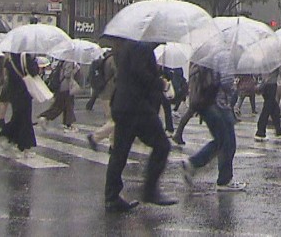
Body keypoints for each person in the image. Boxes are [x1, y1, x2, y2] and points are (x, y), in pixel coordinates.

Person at [104, 38, 176, 213]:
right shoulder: (141, 46)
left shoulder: (129, 45)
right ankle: (150, 191)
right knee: (162, 146)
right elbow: (141, 74)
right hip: (136, 108)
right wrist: (161, 83)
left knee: (119, 152)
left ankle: (112, 197)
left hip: (123, 105)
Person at [180, 47, 246, 191]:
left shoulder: (212, 54)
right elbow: (227, 82)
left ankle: (193, 163)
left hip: (206, 104)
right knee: (228, 143)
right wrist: (235, 87)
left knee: (220, 141)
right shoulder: (226, 55)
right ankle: (224, 180)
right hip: (219, 105)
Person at [0, 52, 39, 156]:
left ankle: (9, 139)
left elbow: (7, 74)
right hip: (24, 92)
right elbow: (34, 72)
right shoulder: (25, 58)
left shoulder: (10, 58)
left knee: (17, 117)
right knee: (25, 119)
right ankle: (24, 147)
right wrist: (34, 60)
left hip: (13, 92)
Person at [36, 59, 78, 131]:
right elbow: (67, 74)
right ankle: (45, 117)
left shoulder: (62, 61)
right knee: (60, 106)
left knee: (67, 106)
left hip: (62, 87)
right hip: (66, 87)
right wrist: (75, 70)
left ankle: (68, 124)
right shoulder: (69, 61)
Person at [254, 67, 281, 140]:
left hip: (264, 86)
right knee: (267, 108)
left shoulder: (264, 60)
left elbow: (258, 73)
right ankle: (260, 131)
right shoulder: (276, 62)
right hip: (271, 85)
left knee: (274, 107)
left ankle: (278, 129)